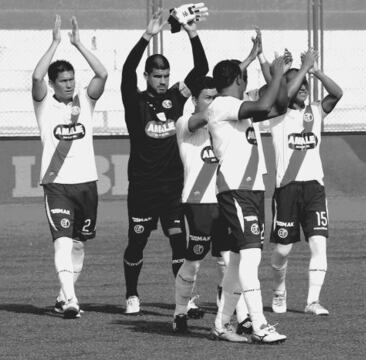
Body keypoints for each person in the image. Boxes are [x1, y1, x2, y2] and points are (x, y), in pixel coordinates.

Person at [172, 32, 263, 335]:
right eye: (207, 97)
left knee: (229, 259)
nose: (213, 102)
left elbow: (227, 96)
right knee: (195, 260)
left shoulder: (224, 120)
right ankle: (180, 312)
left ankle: (239, 317)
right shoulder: (187, 122)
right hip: (198, 201)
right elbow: (208, 114)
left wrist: (247, 60)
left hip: (223, 196)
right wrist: (213, 106)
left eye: (215, 97)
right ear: (195, 100)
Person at [121, 7, 208, 315]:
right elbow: (126, 70)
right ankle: (132, 294)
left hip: (172, 186)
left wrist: (191, 32)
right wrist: (147, 36)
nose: (162, 80)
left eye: (166, 76)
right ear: (147, 77)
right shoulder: (136, 103)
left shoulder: (176, 98)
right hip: (143, 186)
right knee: (137, 242)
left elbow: (201, 70)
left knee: (178, 243)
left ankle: (184, 300)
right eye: (156, 76)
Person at [206, 55, 289, 344]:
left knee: (239, 259)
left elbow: (278, 106)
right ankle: (259, 325)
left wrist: (278, 76)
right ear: (239, 80)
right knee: (251, 257)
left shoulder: (239, 109)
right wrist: (276, 74)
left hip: (251, 189)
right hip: (236, 189)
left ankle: (220, 324)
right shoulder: (222, 104)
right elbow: (266, 104)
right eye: (245, 76)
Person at [31, 15, 107, 319]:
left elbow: (102, 73)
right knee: (62, 243)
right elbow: (36, 78)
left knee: (79, 245)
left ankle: (63, 297)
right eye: (63, 81)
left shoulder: (85, 102)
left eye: (71, 79)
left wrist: (78, 44)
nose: (69, 84)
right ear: (53, 84)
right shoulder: (44, 105)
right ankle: (72, 301)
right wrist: (55, 43)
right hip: (57, 184)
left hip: (87, 184)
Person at [268, 49, 343, 316]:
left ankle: (312, 301)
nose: (303, 88)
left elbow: (337, 94)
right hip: (286, 188)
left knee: (318, 244)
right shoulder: (276, 113)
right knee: (283, 249)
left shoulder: (315, 111)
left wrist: (315, 71)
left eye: (305, 84)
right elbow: (280, 96)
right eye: (297, 84)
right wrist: (297, 71)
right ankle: (279, 290)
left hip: (314, 189)